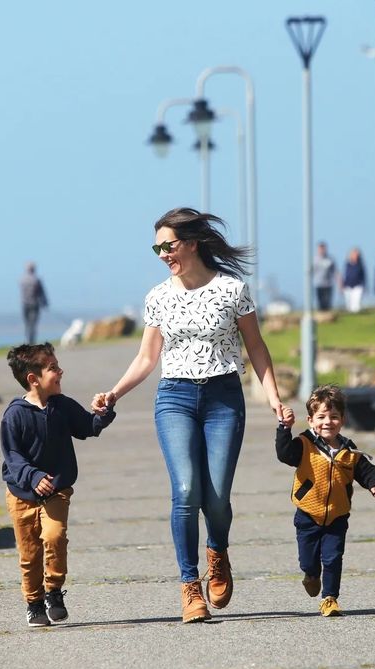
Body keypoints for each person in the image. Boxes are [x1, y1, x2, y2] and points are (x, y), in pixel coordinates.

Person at [91, 207, 286, 624]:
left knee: (216, 498)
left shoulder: (233, 289)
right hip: (175, 398)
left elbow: (256, 347)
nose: (163, 255)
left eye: (169, 246)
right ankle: (189, 586)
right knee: (185, 490)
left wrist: (273, 397)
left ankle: (217, 551)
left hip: (223, 398)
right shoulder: (158, 297)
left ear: (193, 244)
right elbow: (147, 357)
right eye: (157, 249)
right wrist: (114, 393)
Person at [0, 343, 116, 627]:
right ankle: (34, 602)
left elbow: (87, 426)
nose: (60, 371)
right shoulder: (14, 414)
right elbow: (12, 456)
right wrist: (33, 476)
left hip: (57, 491)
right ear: (33, 378)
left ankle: (53, 591)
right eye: (53, 368)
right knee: (29, 554)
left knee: (54, 537)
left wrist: (104, 412)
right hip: (21, 494)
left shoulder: (62, 406)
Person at [277, 385, 375, 617]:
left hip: (337, 516)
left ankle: (330, 599)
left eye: (334, 417)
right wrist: (284, 428)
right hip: (307, 515)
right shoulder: (304, 444)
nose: (328, 422)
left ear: (342, 420)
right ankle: (311, 575)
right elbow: (285, 454)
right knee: (308, 561)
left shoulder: (349, 450)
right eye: (321, 417)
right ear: (310, 420)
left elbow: (366, 470)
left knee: (333, 558)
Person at [19, 262, 49, 344]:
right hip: (34, 305)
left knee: (27, 323)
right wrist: (45, 303)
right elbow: (42, 293)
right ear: (34, 269)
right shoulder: (36, 280)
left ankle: (28, 340)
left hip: (25, 304)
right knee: (33, 324)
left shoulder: (22, 280)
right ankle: (31, 341)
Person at [313, 242, 340, 312]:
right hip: (319, 284)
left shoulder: (330, 259)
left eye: (323, 249)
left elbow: (335, 271)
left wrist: (339, 282)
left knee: (327, 302)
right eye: (320, 249)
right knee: (321, 302)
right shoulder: (314, 259)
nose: (322, 250)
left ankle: (328, 313)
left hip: (328, 284)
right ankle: (321, 314)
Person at [342, 248, 366, 313]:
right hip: (348, 285)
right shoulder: (347, 264)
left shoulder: (360, 265)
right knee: (349, 305)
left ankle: (357, 313)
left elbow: (363, 276)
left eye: (357, 255)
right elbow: (345, 275)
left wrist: (363, 285)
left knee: (356, 305)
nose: (355, 256)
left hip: (358, 285)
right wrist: (343, 285)